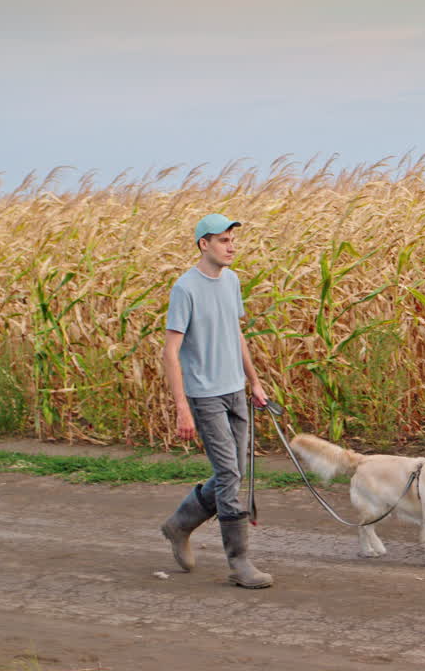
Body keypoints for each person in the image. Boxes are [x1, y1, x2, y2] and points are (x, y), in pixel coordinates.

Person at [159, 213, 273, 589]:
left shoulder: (232, 280)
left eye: (232, 239)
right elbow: (170, 352)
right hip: (204, 395)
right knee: (228, 476)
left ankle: (180, 524)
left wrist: (254, 382)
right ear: (203, 244)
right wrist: (181, 407)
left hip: (235, 390)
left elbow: (235, 333)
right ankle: (239, 563)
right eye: (223, 240)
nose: (231, 246)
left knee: (234, 471)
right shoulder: (185, 289)